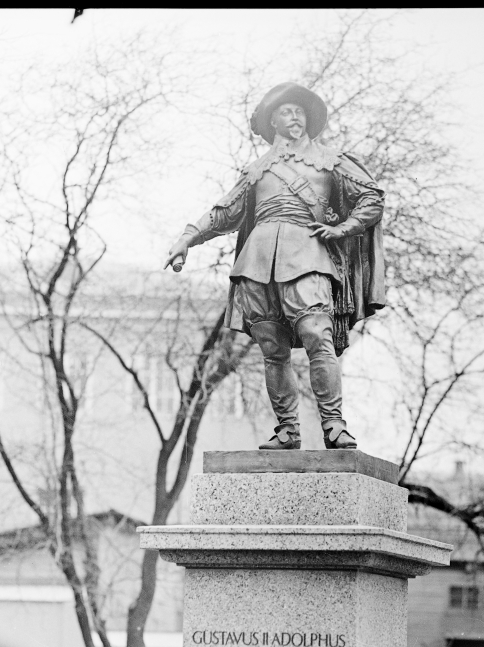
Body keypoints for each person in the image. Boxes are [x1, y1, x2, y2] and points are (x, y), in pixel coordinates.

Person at [165, 82, 386, 451]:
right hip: (257, 260)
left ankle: (333, 425)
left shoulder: (331, 160)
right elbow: (225, 212)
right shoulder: (257, 171)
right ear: (272, 121)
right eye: (287, 111)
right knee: (272, 347)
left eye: (300, 111)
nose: (295, 116)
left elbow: (371, 196)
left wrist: (342, 228)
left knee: (318, 334)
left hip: (308, 253)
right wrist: (187, 237)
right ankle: (287, 430)